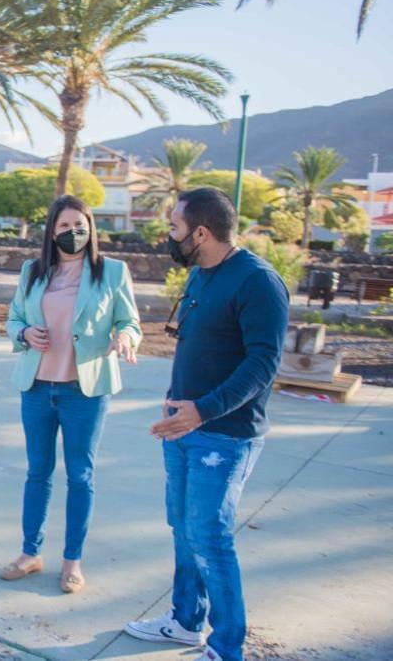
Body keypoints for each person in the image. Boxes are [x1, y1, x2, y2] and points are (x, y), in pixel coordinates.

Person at [123, 187, 289, 661]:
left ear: (201, 231)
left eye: (175, 228)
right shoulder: (200, 274)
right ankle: (185, 621)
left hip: (226, 434)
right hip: (182, 427)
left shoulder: (258, 281)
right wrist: (178, 404)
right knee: (182, 525)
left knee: (210, 536)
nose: (169, 236)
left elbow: (262, 365)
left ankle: (227, 646)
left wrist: (204, 409)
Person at [3, 195, 141, 594]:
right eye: (63, 226)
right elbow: (13, 318)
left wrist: (125, 337)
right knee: (37, 472)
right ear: (51, 231)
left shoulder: (112, 272)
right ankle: (30, 554)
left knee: (80, 475)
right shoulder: (32, 271)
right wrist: (24, 333)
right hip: (37, 388)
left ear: (91, 229)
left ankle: (72, 562)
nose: (72, 233)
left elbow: (129, 320)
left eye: (79, 225)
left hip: (85, 391)